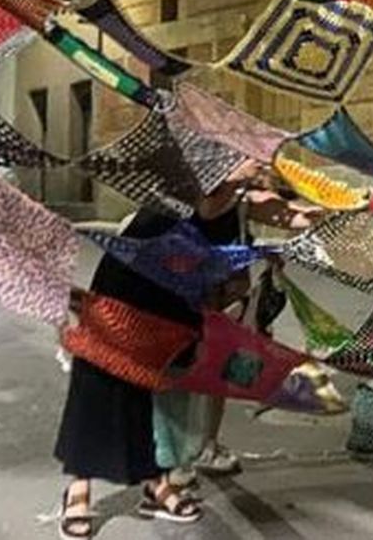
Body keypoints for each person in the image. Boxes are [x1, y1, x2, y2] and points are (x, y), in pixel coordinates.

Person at [55, 161, 313, 537]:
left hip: (177, 298)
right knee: (103, 376)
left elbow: (294, 217)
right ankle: (78, 489)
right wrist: (233, 177)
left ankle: (156, 482)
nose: (260, 169)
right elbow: (205, 206)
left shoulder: (245, 198)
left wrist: (352, 206)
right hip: (130, 284)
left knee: (159, 385)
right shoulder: (188, 179)